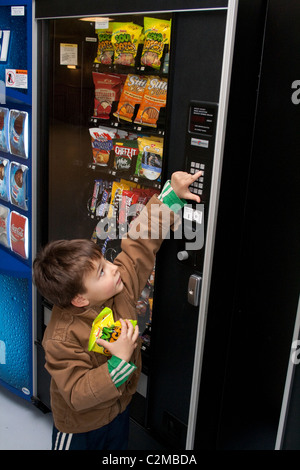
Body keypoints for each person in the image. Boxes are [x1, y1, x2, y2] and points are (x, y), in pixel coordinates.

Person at [33, 170, 202, 450]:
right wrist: (120, 362)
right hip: (80, 428)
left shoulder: (119, 287)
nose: (113, 267)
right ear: (79, 300)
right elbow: (77, 393)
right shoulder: (60, 338)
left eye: (104, 261)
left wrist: (171, 196)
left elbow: (139, 243)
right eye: (101, 272)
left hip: (117, 410)